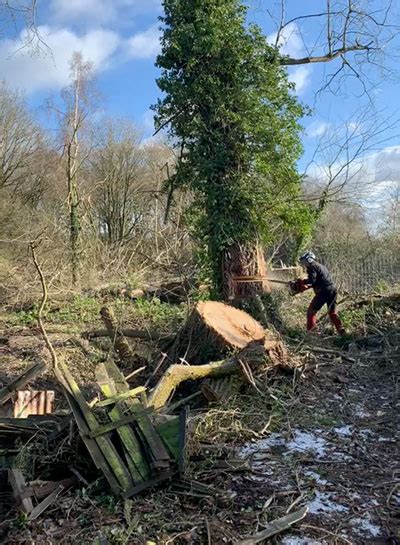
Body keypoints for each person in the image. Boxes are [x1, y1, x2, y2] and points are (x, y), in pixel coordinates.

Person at [295, 251, 345, 335]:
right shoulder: (321, 266)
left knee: (311, 312)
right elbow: (319, 281)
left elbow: (312, 280)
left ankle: (312, 333)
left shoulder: (312, 267)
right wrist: (306, 286)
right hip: (332, 290)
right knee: (332, 312)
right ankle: (341, 331)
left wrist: (302, 281)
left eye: (304, 261)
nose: (304, 264)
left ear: (309, 259)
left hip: (323, 292)